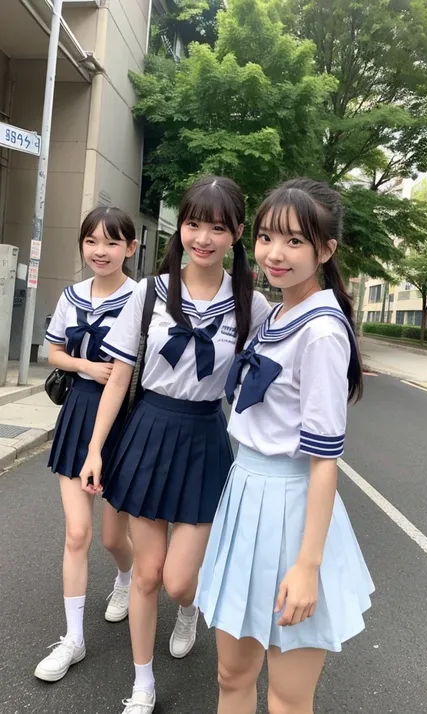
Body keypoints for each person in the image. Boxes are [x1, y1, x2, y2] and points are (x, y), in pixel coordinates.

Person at [79, 176, 270, 714]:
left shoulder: (251, 305)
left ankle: (187, 610)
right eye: (193, 223)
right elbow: (118, 378)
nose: (202, 237)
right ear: (179, 228)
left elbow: (260, 385)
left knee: (180, 580)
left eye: (217, 226)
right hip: (149, 430)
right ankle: (142, 684)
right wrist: (95, 451)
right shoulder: (149, 292)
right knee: (146, 573)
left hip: (205, 438)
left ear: (236, 233)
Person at [196, 178, 375, 714]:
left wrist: (307, 567)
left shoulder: (320, 331)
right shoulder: (274, 314)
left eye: (295, 241)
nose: (276, 254)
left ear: (326, 250)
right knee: (232, 676)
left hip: (292, 510)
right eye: (269, 237)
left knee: (287, 696)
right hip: (245, 496)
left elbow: (324, 464)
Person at [34, 207, 137, 683]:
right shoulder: (71, 296)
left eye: (112, 242)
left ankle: (124, 578)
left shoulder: (142, 298)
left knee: (116, 537)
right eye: (92, 241)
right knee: (78, 533)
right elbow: (52, 352)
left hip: (126, 421)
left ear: (130, 249)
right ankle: (72, 638)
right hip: (78, 415)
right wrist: (85, 367)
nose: (101, 250)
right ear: (82, 245)